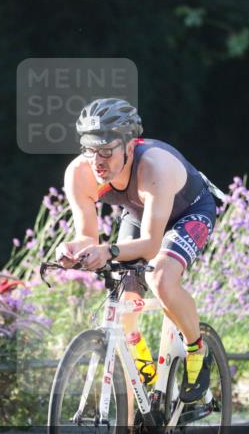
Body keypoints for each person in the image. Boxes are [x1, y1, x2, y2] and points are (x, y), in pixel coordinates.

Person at [57, 98, 223, 405]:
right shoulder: (79, 173)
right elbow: (87, 235)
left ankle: (196, 347)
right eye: (89, 148)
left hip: (189, 212)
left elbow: (150, 245)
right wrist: (71, 249)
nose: (97, 160)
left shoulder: (154, 166)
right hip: (140, 213)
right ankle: (141, 389)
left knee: (161, 279)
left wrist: (108, 251)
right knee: (125, 301)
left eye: (106, 150)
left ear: (130, 146)